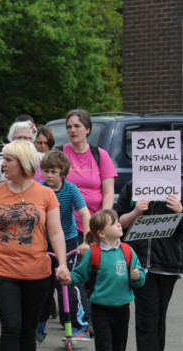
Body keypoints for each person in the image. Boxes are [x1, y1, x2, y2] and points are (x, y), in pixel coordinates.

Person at [0, 140, 69, 351]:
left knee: (28, 329)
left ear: (24, 163)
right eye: (3, 159)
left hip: (37, 273)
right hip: (2, 269)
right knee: (11, 326)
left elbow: (55, 232)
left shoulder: (45, 194)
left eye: (8, 160)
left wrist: (62, 264)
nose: (3, 164)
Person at [64, 209, 145, 351]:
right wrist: (67, 277)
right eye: (114, 223)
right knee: (104, 348)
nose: (119, 225)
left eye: (118, 222)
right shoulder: (93, 252)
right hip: (100, 310)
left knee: (118, 350)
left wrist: (137, 276)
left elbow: (140, 277)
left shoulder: (127, 250)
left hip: (122, 309)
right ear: (101, 233)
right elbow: (80, 275)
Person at [115, 181, 183, 351]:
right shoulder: (132, 187)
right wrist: (136, 212)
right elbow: (118, 221)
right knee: (147, 309)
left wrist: (180, 210)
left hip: (169, 262)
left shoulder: (178, 188)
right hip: (139, 261)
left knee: (159, 312)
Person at [63, 109, 118, 334]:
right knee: (75, 274)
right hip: (68, 224)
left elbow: (107, 192)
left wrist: (102, 224)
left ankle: (96, 318)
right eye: (69, 127)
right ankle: (81, 322)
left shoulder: (100, 155)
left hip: (95, 225)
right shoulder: (61, 153)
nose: (72, 130)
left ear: (87, 129)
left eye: (77, 126)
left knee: (97, 273)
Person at [35, 150, 91, 343]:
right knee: (43, 285)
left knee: (67, 282)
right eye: (46, 171)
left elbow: (85, 214)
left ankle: (78, 325)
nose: (48, 175)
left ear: (63, 174)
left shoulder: (70, 189)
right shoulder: (39, 188)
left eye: (53, 171)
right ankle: (40, 321)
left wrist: (86, 241)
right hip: (43, 241)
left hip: (67, 240)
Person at [0, 121, 37, 186]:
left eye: (25, 138)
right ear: (12, 139)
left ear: (32, 140)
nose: (22, 141)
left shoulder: (39, 157)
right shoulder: (1, 157)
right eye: (19, 138)